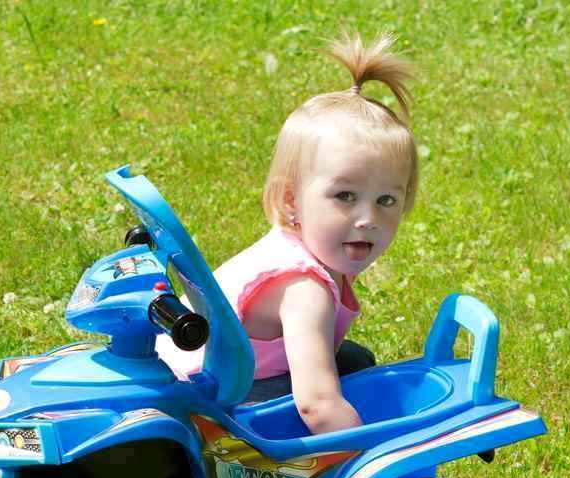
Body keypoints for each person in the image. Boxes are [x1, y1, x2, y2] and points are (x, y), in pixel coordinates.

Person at [158, 31, 419, 435]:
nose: (368, 218)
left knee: (355, 363)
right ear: (291, 199)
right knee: (334, 391)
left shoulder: (307, 245)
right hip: (203, 401)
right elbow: (316, 404)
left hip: (202, 371)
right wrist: (373, 452)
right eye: (345, 196)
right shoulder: (305, 290)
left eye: (386, 200)